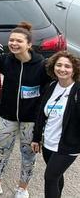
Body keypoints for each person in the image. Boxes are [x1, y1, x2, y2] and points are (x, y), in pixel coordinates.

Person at [0, 22, 45, 198]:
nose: (13, 43)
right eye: (11, 40)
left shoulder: (42, 65)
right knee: (2, 150)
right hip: (7, 115)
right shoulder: (5, 60)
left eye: (18, 41)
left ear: (29, 44)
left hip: (30, 118)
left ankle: (23, 188)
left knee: (28, 154)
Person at [32, 50, 80, 198]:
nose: (62, 69)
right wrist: (36, 137)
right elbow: (41, 113)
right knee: (56, 176)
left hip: (68, 145)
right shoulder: (52, 86)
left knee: (50, 178)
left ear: (74, 70)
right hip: (49, 142)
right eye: (59, 65)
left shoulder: (78, 90)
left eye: (67, 66)